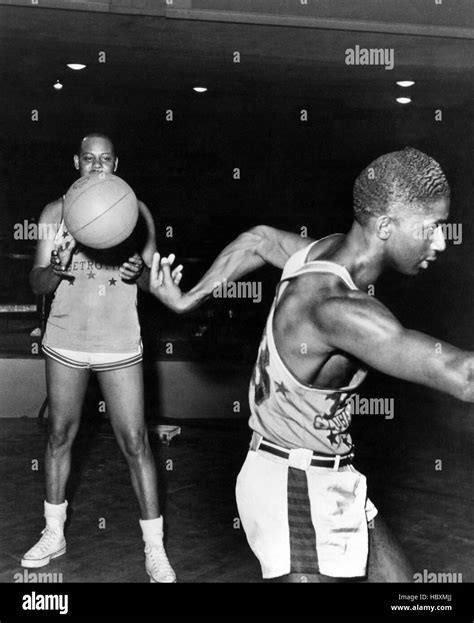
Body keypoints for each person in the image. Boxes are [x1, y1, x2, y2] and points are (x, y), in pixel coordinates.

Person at [150, 147, 474, 582]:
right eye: (431, 228)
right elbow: (464, 377)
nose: (441, 241)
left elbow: (260, 240)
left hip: (332, 476)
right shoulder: (336, 309)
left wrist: (190, 297)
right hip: (293, 490)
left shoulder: (321, 253)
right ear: (385, 226)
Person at [22, 133, 182, 583]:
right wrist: (55, 267)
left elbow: (151, 283)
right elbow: (37, 283)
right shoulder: (55, 213)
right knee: (58, 434)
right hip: (67, 337)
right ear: (76, 161)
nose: (97, 166)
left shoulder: (136, 212)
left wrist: (141, 273)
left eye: (105, 159)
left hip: (119, 341)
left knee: (135, 441)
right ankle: (54, 533)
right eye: (88, 159)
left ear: (116, 162)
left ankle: (155, 548)